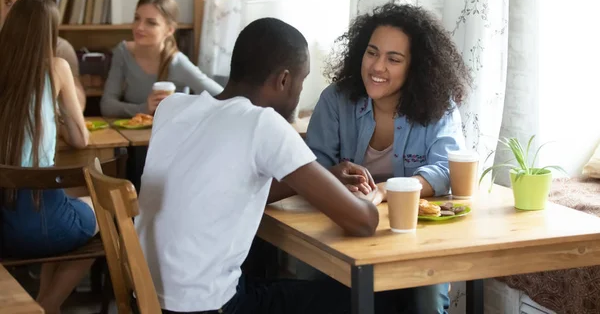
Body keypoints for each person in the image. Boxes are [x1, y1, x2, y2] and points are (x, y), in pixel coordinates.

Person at [135, 18, 409, 314]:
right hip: (208, 306)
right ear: (284, 80)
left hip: (148, 296)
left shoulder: (172, 107)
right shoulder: (262, 123)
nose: (300, 92)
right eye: (302, 81)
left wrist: (326, 178)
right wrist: (372, 195)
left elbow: (227, 188)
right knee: (378, 296)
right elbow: (363, 222)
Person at [305, 2, 473, 313]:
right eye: (372, 53)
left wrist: (384, 190)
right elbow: (311, 166)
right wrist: (335, 177)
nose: (377, 67)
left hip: (415, 241)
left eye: (393, 59)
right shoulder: (335, 100)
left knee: (427, 301)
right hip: (346, 231)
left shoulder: (440, 107)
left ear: (416, 66)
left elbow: (445, 168)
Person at [0, 0, 97, 314]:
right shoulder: (57, 67)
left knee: (68, 203)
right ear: (50, 34)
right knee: (111, 217)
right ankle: (47, 305)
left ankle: (43, 304)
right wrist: (55, 115)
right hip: (41, 218)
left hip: (4, 223)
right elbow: (81, 138)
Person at [100, 0, 223, 118]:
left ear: (169, 30)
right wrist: (144, 108)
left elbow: (223, 97)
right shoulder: (123, 53)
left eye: (151, 23)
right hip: (132, 134)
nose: (139, 27)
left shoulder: (176, 62)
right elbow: (107, 106)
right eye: (137, 18)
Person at [1, 0, 86, 110]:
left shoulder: (60, 48)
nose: (9, 13)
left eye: (21, 7)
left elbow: (78, 106)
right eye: (7, 3)